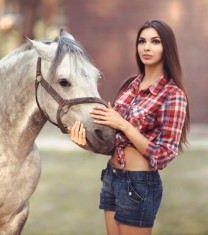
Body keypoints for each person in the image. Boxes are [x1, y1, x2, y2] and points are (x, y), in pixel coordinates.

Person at [68, 19, 190, 235]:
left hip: (139, 184)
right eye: (142, 41)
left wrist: (123, 124)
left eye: (155, 41)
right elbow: (114, 143)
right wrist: (86, 144)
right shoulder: (129, 86)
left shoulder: (173, 95)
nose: (147, 47)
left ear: (167, 47)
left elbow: (163, 155)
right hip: (112, 176)